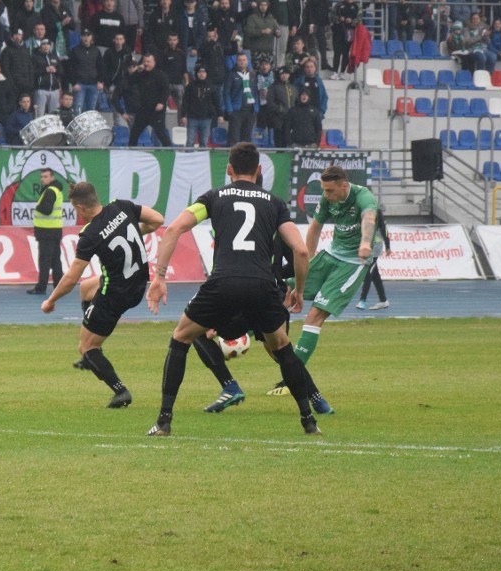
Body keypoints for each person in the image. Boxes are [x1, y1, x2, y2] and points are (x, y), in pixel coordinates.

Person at [145, 142, 328, 436]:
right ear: (258, 170)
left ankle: (164, 420)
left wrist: (160, 276)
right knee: (281, 346)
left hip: (223, 283)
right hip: (263, 285)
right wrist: (298, 290)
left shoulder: (214, 197)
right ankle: (309, 421)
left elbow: (175, 228)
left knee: (181, 337)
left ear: (229, 170)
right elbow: (301, 252)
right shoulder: (275, 203)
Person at [42, 181, 163, 408]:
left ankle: (119, 390)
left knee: (86, 347)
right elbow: (157, 219)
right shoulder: (121, 206)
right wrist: (133, 232)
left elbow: (69, 278)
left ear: (80, 208)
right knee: (86, 288)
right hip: (138, 283)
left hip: (116, 293)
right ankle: (92, 355)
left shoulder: (91, 234)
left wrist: (50, 300)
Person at [267, 165, 380, 396]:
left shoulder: (363, 196)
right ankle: (246, 332)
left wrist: (365, 243)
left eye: (330, 191)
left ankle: (292, 379)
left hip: (353, 262)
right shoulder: (327, 198)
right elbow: (315, 228)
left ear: (344, 186)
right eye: (324, 191)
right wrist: (306, 261)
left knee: (315, 315)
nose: (326, 195)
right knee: (284, 288)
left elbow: (369, 217)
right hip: (331, 254)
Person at [27, 168, 65, 295]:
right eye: (42, 177)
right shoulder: (56, 190)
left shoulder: (49, 191)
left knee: (44, 260)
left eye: (46, 176)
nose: (43, 179)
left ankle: (41, 287)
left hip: (46, 231)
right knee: (55, 260)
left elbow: (47, 210)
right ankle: (59, 286)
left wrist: (38, 207)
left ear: (52, 177)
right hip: (55, 230)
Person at [127, 52, 172, 146]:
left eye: (149, 61)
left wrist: (162, 102)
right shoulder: (141, 74)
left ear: (154, 62)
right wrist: (137, 71)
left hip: (156, 110)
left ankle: (170, 152)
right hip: (143, 110)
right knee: (134, 133)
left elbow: (166, 90)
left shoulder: (160, 75)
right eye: (144, 61)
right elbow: (130, 82)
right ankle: (131, 153)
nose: (146, 63)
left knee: (161, 133)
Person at [356, 209, 390, 310]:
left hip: (375, 248)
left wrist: (388, 247)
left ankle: (362, 300)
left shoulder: (377, 215)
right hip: (368, 247)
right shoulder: (362, 212)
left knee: (368, 273)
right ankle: (383, 300)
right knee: (375, 275)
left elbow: (385, 231)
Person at [180, 64, 220, 147]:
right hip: (192, 118)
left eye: (204, 72)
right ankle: (188, 159)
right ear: (196, 73)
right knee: (190, 142)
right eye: (200, 72)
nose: (202, 74)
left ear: (206, 73)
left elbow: (216, 102)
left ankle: (203, 159)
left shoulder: (211, 86)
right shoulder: (190, 86)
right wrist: (183, 115)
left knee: (204, 142)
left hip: (206, 118)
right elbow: (185, 102)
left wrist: (220, 114)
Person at [223, 51, 258, 146]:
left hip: (250, 110)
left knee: (247, 137)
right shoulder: (231, 74)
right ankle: (232, 158)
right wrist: (230, 109)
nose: (242, 62)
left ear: (247, 61)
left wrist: (256, 107)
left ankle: (245, 158)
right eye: (240, 60)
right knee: (234, 137)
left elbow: (255, 92)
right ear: (236, 62)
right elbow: (226, 93)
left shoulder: (252, 74)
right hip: (236, 110)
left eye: (244, 60)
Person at [68, 29, 104, 114]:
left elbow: (101, 67)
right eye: (84, 35)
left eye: (88, 35)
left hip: (94, 84)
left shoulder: (96, 50)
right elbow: (70, 68)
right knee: (77, 110)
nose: (86, 38)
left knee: (91, 111)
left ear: (91, 37)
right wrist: (73, 83)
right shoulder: (75, 50)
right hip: (80, 85)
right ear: (81, 37)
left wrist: (100, 81)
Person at [264, 64, 296, 147]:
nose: (284, 75)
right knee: (279, 140)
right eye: (282, 74)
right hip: (278, 118)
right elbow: (270, 102)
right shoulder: (274, 87)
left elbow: (296, 102)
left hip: (291, 118)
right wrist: (280, 109)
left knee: (289, 139)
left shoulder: (293, 87)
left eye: (286, 73)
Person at [32, 39, 63, 116]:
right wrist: (45, 70)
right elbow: (32, 72)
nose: (46, 46)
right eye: (44, 44)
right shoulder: (35, 57)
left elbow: (61, 71)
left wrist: (55, 70)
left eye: (47, 44)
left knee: (55, 115)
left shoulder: (54, 56)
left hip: (54, 89)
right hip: (41, 89)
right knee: (39, 115)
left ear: (50, 46)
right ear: (40, 46)